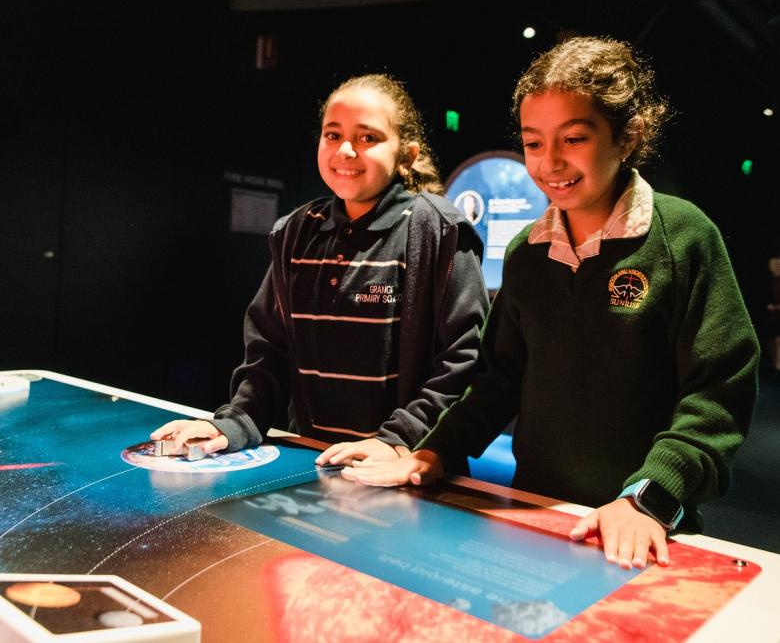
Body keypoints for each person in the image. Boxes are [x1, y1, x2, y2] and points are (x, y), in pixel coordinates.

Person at [342, 37, 760, 570]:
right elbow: (496, 380)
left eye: (575, 138)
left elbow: (718, 391)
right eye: (533, 143)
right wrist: (432, 451)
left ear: (627, 137)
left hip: (646, 527)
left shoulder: (684, 236)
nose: (549, 162)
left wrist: (648, 498)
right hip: (539, 516)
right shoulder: (525, 255)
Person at [152, 74, 489, 467]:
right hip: (313, 466)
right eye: (332, 135)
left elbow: (464, 358)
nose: (345, 150)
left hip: (402, 469)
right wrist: (235, 423)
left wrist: (398, 439)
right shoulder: (294, 232)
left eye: (368, 138)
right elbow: (268, 353)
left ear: (406, 155)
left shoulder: (438, 230)